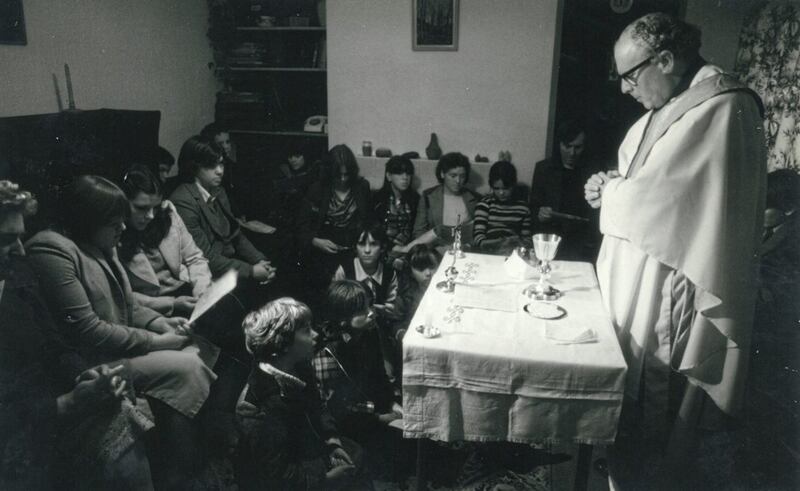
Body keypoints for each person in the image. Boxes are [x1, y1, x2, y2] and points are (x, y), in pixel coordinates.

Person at [584, 13, 766, 488]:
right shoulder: (668, 108)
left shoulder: (722, 107)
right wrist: (610, 183)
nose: (624, 89)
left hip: (673, 282)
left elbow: (667, 203)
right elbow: (642, 182)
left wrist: (612, 193)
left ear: (664, 59)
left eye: (629, 75)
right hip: (639, 279)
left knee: (659, 413)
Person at [25, 175, 221, 488]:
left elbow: (126, 302)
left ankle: (181, 463)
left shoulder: (99, 242)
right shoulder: (51, 250)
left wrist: (159, 323)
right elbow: (88, 330)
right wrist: (156, 341)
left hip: (114, 352)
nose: (124, 228)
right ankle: (180, 472)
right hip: (89, 364)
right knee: (187, 365)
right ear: (87, 220)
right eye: (114, 221)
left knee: (194, 353)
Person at [0, 180, 154, 490]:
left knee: (117, 406)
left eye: (20, 237)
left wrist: (84, 375)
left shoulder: (17, 277)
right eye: (6, 239)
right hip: (20, 428)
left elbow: (54, 345)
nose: (19, 249)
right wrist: (66, 404)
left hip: (43, 409)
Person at [236, 297, 366, 490]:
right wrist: (325, 479)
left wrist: (332, 441)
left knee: (356, 455)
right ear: (283, 343)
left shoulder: (300, 366)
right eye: (306, 331)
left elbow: (317, 406)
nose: (315, 334)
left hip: (308, 446)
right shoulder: (264, 402)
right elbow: (276, 473)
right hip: (287, 476)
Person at [312, 280, 409, 479]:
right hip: (344, 423)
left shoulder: (368, 331)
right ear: (342, 320)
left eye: (370, 305)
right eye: (361, 311)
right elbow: (334, 410)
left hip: (368, 407)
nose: (371, 312)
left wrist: (391, 403)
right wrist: (380, 419)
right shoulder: (328, 356)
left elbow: (378, 374)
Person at [169, 135, 277, 287]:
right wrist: (251, 270)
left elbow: (235, 234)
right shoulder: (183, 201)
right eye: (212, 166)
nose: (220, 171)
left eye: (221, 164)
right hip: (209, 274)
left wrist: (260, 260)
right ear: (194, 167)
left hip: (230, 262)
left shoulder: (217, 190)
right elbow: (205, 258)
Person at [118, 164, 209, 316]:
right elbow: (122, 294)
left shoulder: (167, 216)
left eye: (155, 207)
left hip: (187, 289)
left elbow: (194, 258)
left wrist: (201, 291)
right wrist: (173, 303)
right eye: (141, 208)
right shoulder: (114, 233)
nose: (151, 216)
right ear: (123, 202)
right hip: (153, 306)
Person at [296, 144, 372, 298]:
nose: (343, 179)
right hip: (323, 252)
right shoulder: (317, 189)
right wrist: (315, 241)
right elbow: (300, 226)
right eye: (339, 175)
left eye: (347, 174)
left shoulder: (362, 186)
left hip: (352, 251)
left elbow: (369, 221)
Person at [332, 222, 403, 382]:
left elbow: (392, 308)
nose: (367, 250)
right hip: (349, 331)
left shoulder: (388, 273)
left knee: (387, 374)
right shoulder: (345, 269)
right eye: (361, 244)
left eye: (373, 244)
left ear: (383, 247)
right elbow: (336, 305)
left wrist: (378, 311)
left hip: (378, 329)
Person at [530, 120, 601, 261]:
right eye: (567, 146)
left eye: (578, 147)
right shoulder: (543, 169)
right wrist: (540, 214)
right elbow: (533, 207)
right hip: (550, 240)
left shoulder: (593, 171)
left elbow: (597, 215)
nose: (572, 153)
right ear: (559, 144)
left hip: (582, 244)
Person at [410, 152, 480, 253]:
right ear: (442, 174)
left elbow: (479, 232)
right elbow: (419, 232)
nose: (458, 180)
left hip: (464, 252)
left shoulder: (474, 198)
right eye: (453, 175)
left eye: (462, 176)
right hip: (435, 252)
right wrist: (436, 249)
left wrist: (467, 246)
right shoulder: (428, 196)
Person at [473, 160, 532, 254]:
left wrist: (518, 244)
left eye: (506, 188)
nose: (501, 193)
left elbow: (527, 240)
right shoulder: (484, 205)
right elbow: (478, 237)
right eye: (496, 188)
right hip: (488, 250)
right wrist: (498, 243)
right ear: (491, 185)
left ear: (513, 185)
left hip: (513, 252)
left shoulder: (523, 208)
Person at [372, 155, 419, 266]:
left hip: (408, 250)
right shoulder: (377, 199)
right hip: (383, 248)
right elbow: (373, 229)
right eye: (399, 173)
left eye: (408, 173)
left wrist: (408, 248)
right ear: (389, 176)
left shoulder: (416, 200)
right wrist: (390, 247)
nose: (405, 178)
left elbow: (418, 229)